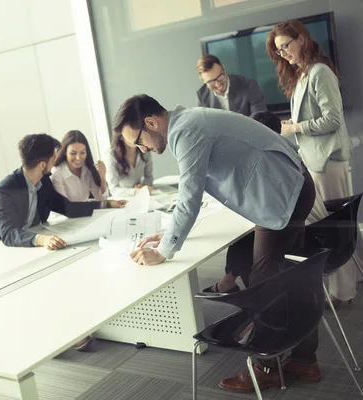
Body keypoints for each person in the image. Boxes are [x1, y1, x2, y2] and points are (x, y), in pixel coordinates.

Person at [112, 94, 319, 392]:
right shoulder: (191, 121)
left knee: (266, 285)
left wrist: (164, 250)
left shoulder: (185, 131)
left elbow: (190, 195)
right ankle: (303, 359)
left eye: (139, 141)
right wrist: (172, 230)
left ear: (150, 122)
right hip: (287, 186)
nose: (142, 149)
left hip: (282, 195)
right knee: (283, 277)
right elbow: (205, 185)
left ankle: (266, 367)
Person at [266, 20, 360, 305]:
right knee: (335, 226)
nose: (284, 53)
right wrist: (295, 127)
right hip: (315, 160)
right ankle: (358, 278)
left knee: (335, 229)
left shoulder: (319, 72)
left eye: (286, 46)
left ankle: (343, 293)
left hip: (328, 159)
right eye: (279, 51)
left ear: (302, 39)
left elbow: (333, 120)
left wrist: (295, 128)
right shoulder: (302, 74)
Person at [0, 133, 125, 250]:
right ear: (42, 164)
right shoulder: (4, 191)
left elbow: (69, 208)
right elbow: (9, 234)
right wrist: (42, 239)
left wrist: (107, 203)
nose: (56, 160)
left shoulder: (44, 182)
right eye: (54, 157)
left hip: (24, 248)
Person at [196, 54, 267, 116]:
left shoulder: (249, 85)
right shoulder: (201, 96)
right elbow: (205, 127)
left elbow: (261, 121)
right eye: (211, 82)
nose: (217, 84)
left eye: (219, 77)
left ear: (223, 68)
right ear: (203, 80)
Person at [50, 130, 111, 202]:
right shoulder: (57, 173)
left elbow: (102, 199)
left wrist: (102, 178)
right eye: (73, 153)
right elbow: (65, 206)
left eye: (82, 153)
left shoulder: (87, 169)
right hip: (67, 212)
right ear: (65, 153)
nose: (78, 158)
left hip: (84, 210)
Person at [106, 131, 154, 197]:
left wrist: (144, 186)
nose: (136, 137)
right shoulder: (112, 155)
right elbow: (113, 189)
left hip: (141, 195)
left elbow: (149, 176)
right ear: (121, 136)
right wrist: (135, 191)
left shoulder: (144, 151)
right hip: (123, 197)